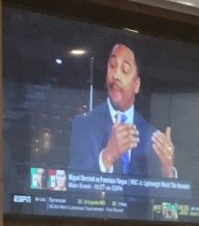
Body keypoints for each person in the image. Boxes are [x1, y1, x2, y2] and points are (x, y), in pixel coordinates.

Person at [68, 43, 178, 179]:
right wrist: (107, 157)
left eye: (125, 70)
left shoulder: (152, 136)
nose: (116, 76)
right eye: (112, 66)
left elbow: (159, 196)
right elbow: (74, 189)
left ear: (137, 85)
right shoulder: (84, 125)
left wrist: (168, 172)